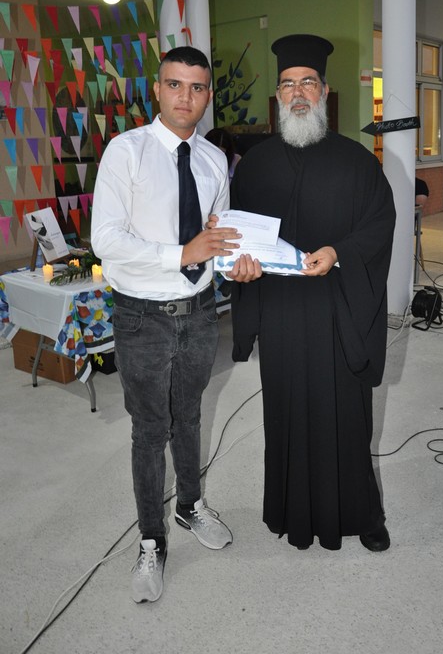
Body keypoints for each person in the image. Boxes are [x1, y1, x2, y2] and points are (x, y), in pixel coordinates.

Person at [223, 34, 396, 551]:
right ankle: (292, 513)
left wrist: (338, 251)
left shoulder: (357, 161)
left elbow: (380, 225)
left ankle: (362, 514)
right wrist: (238, 268)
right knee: (285, 413)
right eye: (287, 84)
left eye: (307, 83)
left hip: (338, 309)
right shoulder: (254, 165)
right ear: (278, 95)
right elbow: (237, 236)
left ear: (324, 89)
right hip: (280, 313)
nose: (297, 93)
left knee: (346, 415)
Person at [91, 46, 242, 603]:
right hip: (143, 317)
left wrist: (236, 261)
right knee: (150, 429)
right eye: (175, 85)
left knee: (190, 416)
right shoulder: (125, 151)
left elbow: (217, 236)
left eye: (197, 88)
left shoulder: (213, 160)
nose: (186, 97)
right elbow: (105, 239)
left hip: (200, 312)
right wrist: (180, 253)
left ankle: (189, 506)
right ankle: (150, 540)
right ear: (157, 89)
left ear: (208, 95)